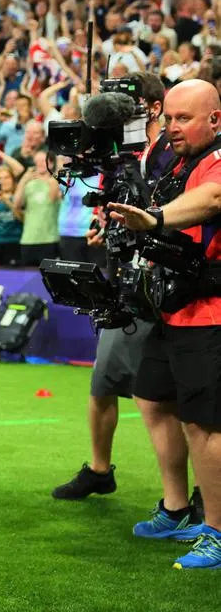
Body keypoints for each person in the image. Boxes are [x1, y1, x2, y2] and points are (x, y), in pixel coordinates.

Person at [51, 73, 202, 535]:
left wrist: (148, 221)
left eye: (130, 106)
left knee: (182, 402)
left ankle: (196, 500)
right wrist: (111, 226)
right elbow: (127, 202)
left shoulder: (178, 155)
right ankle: (109, 473)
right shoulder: (133, 155)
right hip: (136, 281)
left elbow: (177, 209)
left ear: (151, 108)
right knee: (124, 388)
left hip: (177, 287)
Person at [106, 78, 221, 570]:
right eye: (168, 117)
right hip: (173, 305)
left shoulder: (215, 160)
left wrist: (153, 220)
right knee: (153, 396)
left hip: (209, 309)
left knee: (205, 423)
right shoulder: (175, 162)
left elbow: (213, 199)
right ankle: (177, 508)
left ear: (214, 119)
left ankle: (216, 530)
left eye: (184, 118)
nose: (172, 127)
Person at [13, 150, 61, 265]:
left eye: (43, 161)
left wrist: (51, 173)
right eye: (37, 161)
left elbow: (52, 197)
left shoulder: (55, 182)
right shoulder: (29, 184)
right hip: (28, 239)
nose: (39, 164)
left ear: (51, 163)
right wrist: (24, 180)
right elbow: (16, 204)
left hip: (49, 239)